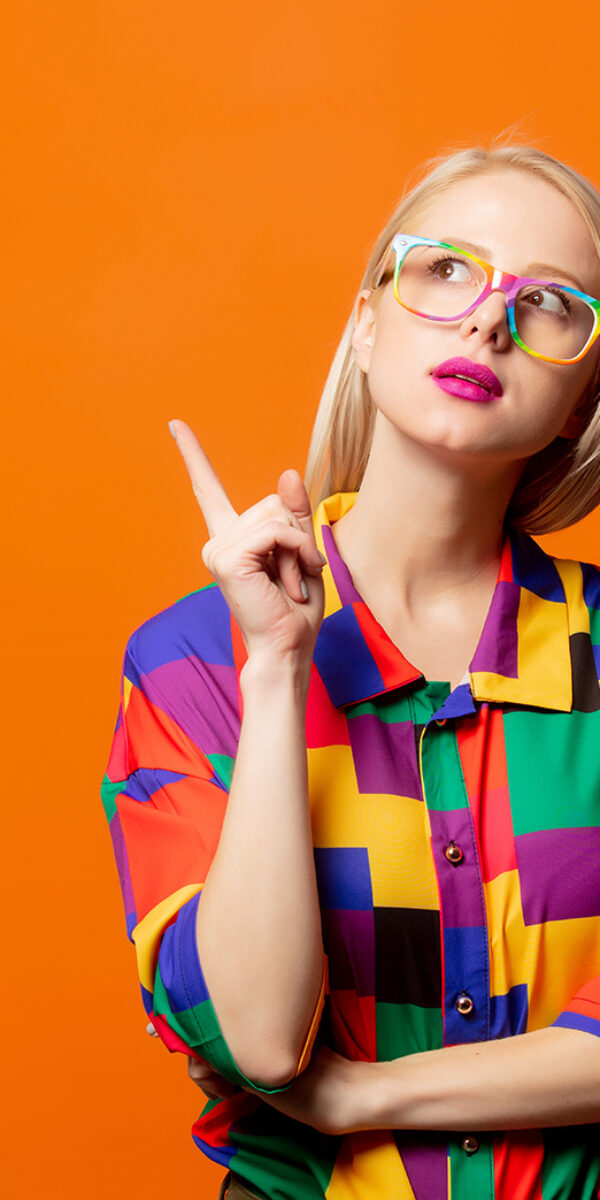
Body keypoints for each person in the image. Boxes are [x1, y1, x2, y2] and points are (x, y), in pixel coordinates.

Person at [102, 142, 600, 1200]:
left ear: (580, 401)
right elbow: (257, 1041)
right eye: (448, 269)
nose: (487, 321)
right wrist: (279, 671)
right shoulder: (193, 660)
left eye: (551, 303)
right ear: (367, 324)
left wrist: (367, 1099)